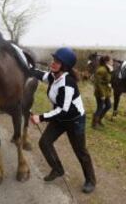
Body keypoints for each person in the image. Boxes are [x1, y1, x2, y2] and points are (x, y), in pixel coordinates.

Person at [29, 47, 96, 194]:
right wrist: (25, 68)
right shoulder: (53, 76)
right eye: (54, 60)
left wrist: (40, 117)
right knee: (44, 143)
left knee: (80, 151)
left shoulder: (67, 84)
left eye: (57, 62)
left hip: (75, 120)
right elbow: (40, 75)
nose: (53, 63)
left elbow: (63, 110)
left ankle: (91, 180)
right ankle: (58, 169)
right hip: (60, 119)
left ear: (64, 66)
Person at [92, 55, 112, 129]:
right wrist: (102, 95)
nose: (112, 62)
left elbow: (107, 79)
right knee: (100, 107)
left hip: (106, 91)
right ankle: (94, 123)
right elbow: (97, 83)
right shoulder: (101, 70)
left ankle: (99, 120)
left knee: (108, 105)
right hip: (100, 92)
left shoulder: (107, 69)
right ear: (106, 62)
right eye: (111, 60)